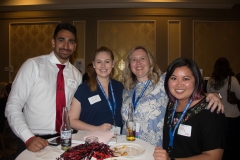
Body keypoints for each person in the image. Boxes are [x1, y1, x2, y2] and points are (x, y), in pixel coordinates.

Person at [121, 46, 224, 147]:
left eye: (142, 58)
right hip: (130, 146)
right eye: (134, 59)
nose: (138, 63)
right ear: (129, 65)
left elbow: (184, 88)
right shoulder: (126, 89)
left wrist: (212, 95)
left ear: (150, 62)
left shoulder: (163, 81)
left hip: (154, 149)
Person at [5, 22, 82, 153]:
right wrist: (28, 138)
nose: (66, 46)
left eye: (71, 42)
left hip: (65, 140)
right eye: (61, 40)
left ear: (74, 46)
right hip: (34, 139)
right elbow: (13, 106)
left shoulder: (77, 75)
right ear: (53, 42)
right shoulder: (33, 65)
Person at [153, 58, 226, 160]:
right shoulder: (171, 104)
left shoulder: (210, 109)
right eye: (174, 78)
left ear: (196, 80)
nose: (179, 84)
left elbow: (214, 156)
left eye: (186, 79)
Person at [69, 46, 123, 133]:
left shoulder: (119, 87)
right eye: (99, 62)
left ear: (113, 63)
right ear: (93, 64)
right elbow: (72, 121)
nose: (103, 66)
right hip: (92, 141)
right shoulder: (83, 89)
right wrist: (96, 129)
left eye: (107, 62)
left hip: (116, 141)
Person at [207, 57, 240, 160]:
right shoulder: (232, 79)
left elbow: (208, 97)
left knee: (219, 144)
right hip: (231, 116)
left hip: (216, 116)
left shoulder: (211, 81)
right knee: (231, 144)